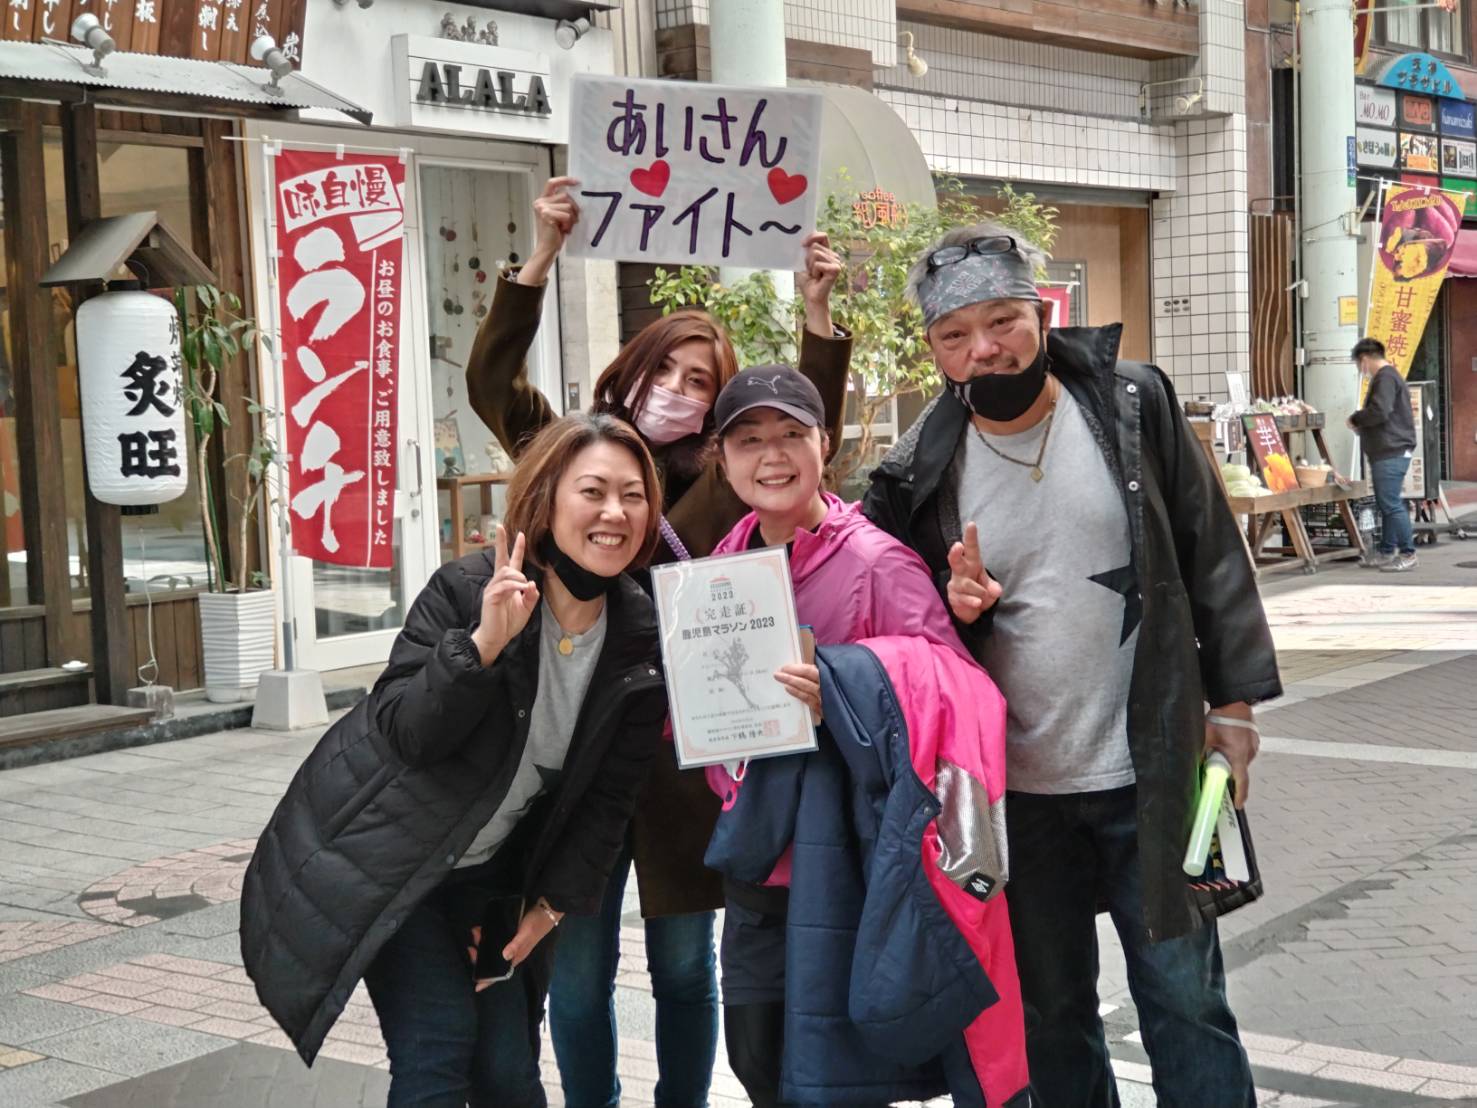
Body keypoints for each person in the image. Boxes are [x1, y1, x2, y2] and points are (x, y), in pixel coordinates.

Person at [862, 223, 1283, 1108]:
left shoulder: (1132, 403)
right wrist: (953, 608)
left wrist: (1234, 708)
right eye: (954, 334)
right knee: (1049, 1012)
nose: (983, 348)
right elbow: (895, 620)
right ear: (933, 349)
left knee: (1185, 998)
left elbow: (1210, 548)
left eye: (1001, 320)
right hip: (1014, 795)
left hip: (1153, 768)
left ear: (1041, 314)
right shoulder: (916, 467)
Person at [465, 176, 852, 1108]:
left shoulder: (723, 482)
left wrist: (817, 318)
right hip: (580, 759)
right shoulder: (573, 454)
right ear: (627, 370)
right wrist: (541, 256)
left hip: (685, 761)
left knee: (684, 967)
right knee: (577, 974)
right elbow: (490, 387)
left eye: (698, 383)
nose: (674, 393)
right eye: (663, 371)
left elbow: (804, 440)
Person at [241, 414, 668, 1107]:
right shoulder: (468, 590)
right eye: (592, 491)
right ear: (546, 499)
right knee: (437, 1047)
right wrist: (482, 647)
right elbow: (407, 734)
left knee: (506, 1070)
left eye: (633, 495)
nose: (614, 513)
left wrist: (547, 912)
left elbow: (608, 800)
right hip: (392, 860)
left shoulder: (640, 635)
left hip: (491, 873)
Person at [700, 365, 1029, 1108]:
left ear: (825, 443)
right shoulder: (722, 567)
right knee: (755, 1062)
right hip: (755, 861)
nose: (771, 456)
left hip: (844, 867)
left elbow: (959, 696)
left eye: (791, 434)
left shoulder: (876, 562)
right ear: (722, 459)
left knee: (834, 1083)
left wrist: (847, 690)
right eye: (748, 440)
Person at [1348, 336, 1418, 572]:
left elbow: (1380, 411)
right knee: (1388, 502)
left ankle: (1408, 553)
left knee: (1391, 503)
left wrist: (1356, 418)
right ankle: (1387, 551)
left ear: (1364, 359)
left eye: (1359, 364)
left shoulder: (1385, 377)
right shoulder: (1390, 376)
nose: (1361, 370)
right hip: (1391, 449)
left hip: (1390, 450)